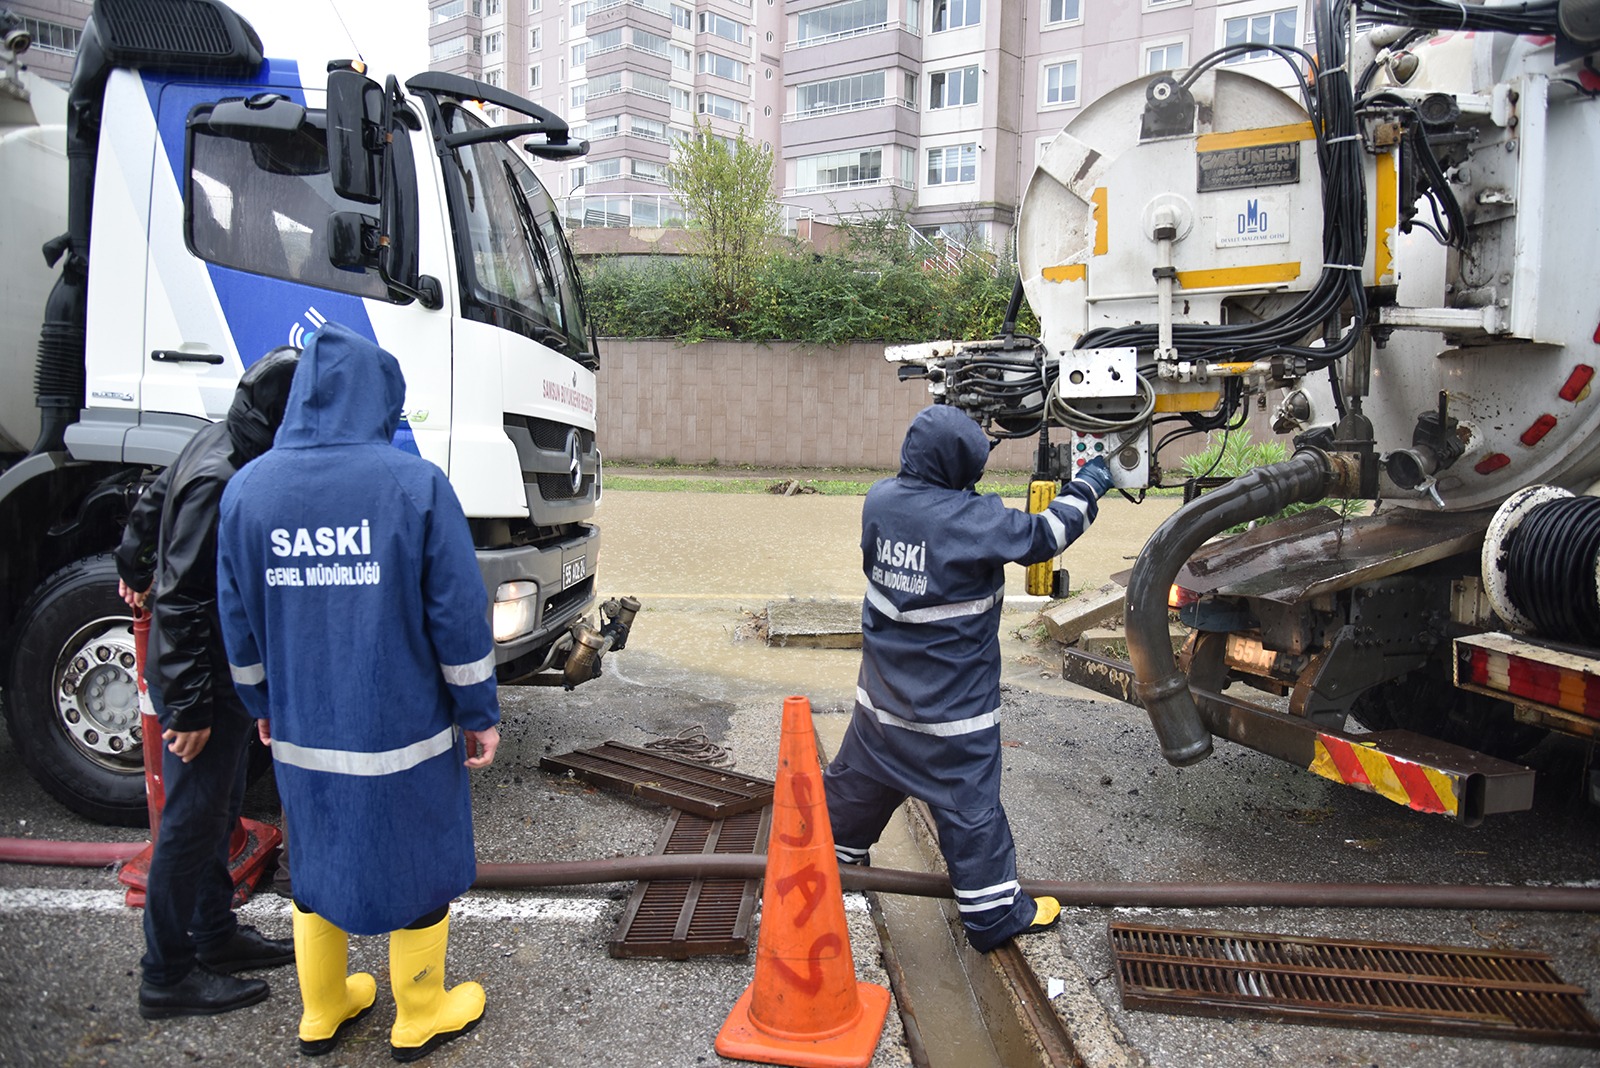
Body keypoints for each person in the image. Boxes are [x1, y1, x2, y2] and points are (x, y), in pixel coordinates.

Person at [215, 322, 501, 1061]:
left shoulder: (248, 493)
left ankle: (322, 1008)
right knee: (420, 863)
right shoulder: (413, 485)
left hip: (304, 733)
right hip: (403, 733)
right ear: (380, 399)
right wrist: (478, 712)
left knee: (316, 859)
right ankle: (421, 1011)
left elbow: (238, 621)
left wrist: (262, 709)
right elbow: (458, 614)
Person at [823, 404, 1112, 952]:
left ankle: (836, 861)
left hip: (881, 702)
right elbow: (1047, 533)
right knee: (969, 807)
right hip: (952, 715)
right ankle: (993, 913)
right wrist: (1093, 480)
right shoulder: (974, 521)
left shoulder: (880, 500)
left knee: (860, 782)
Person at [115, 348, 302, 1019]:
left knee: (217, 812)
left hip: (216, 677)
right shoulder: (227, 477)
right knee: (190, 827)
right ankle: (166, 975)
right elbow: (187, 599)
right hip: (202, 681)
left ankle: (215, 936)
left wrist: (133, 566)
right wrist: (189, 707)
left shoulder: (219, 436)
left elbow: (150, 503)